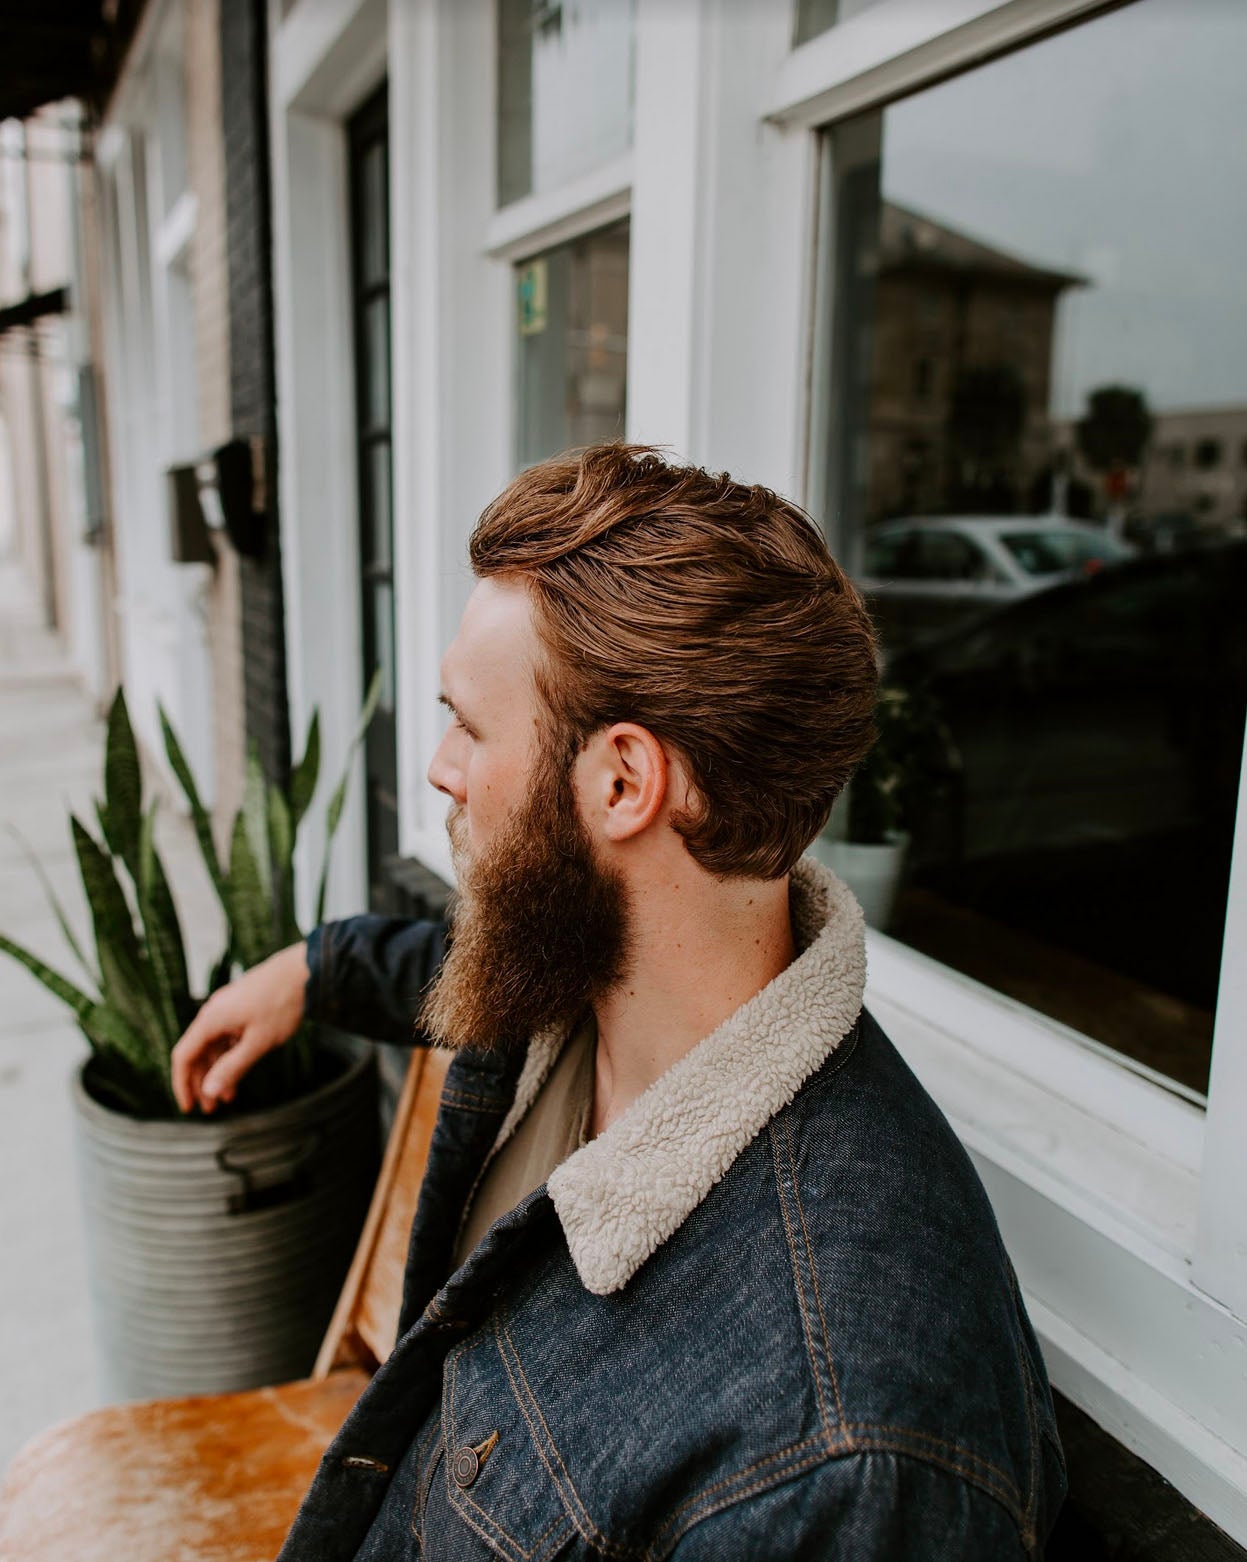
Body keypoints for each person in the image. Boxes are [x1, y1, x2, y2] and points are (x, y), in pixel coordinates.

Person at [173, 445, 1065, 1559]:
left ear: (623, 782)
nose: (442, 765)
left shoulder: (841, 1443)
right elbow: (451, 970)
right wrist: (313, 966)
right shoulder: (582, 976)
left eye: (469, 723)